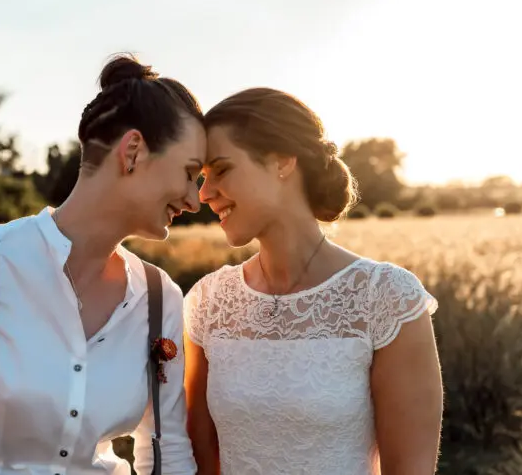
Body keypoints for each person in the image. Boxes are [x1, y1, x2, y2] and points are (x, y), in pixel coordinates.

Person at [0, 55, 206, 475]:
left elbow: (169, 449)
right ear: (134, 152)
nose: (194, 201)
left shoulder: (161, 298)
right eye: (188, 172)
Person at [183, 88, 443, 475]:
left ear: (282, 162)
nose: (204, 193)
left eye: (220, 170)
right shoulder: (208, 302)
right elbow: (202, 462)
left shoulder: (387, 298)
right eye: (202, 177)